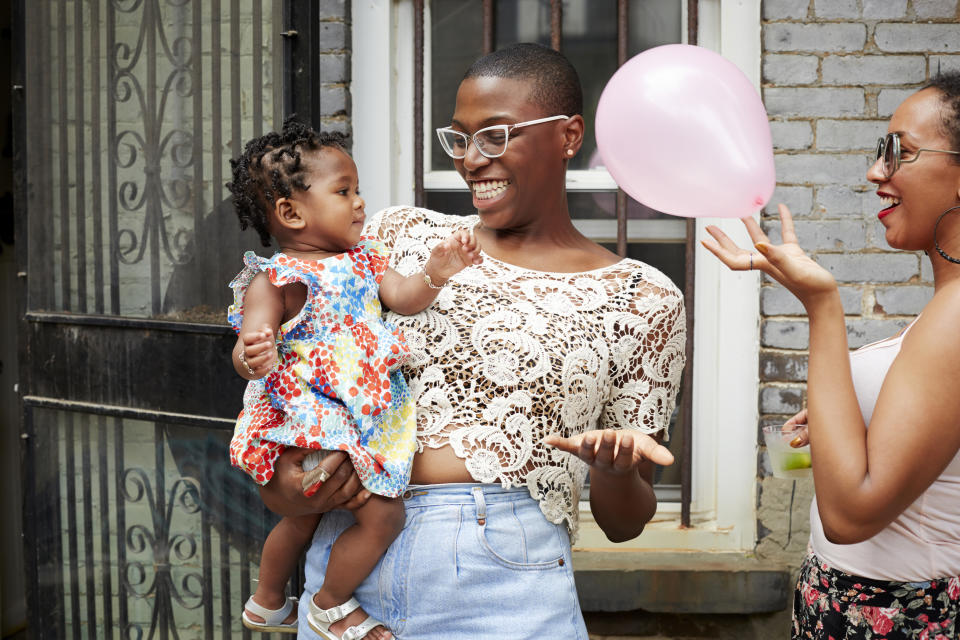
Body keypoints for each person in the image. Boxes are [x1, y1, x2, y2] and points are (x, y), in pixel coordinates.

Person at [255, 43, 687, 640]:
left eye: (495, 136)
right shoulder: (395, 237)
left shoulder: (641, 298)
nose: (470, 161)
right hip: (348, 574)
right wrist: (293, 488)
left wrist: (613, 472)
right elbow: (293, 366)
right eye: (459, 139)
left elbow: (626, 523)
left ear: (568, 136)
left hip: (506, 584)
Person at [703, 72, 960, 639]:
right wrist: (848, 422)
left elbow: (851, 515)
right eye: (880, 151)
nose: (876, 172)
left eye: (900, 152)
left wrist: (821, 303)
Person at [226, 120, 482, 639]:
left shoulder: (365, 261)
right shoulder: (275, 279)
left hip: (359, 413)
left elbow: (405, 297)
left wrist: (438, 269)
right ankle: (328, 604)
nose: (360, 202)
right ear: (291, 212)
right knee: (379, 516)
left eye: (358, 189)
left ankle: (267, 601)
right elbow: (248, 348)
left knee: (307, 519)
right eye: (344, 191)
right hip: (308, 417)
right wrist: (253, 353)